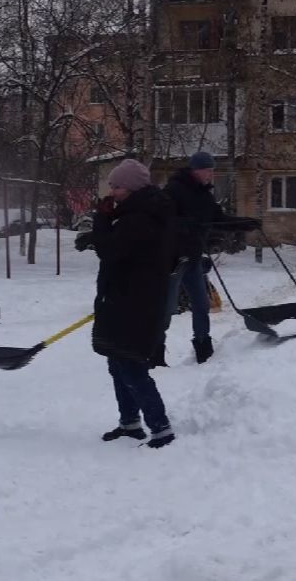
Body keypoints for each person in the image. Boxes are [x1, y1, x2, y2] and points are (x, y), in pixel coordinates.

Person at [87, 158, 177, 448]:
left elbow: (111, 251)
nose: (112, 192)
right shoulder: (137, 213)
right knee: (117, 361)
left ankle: (160, 428)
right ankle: (130, 422)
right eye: (112, 186)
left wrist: (100, 223)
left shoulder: (140, 218)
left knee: (130, 365)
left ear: (133, 188)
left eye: (117, 187)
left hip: (135, 301)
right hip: (125, 297)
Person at [163, 151, 260, 363]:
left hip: (194, 257)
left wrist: (244, 223)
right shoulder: (174, 189)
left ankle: (203, 346)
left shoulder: (205, 194)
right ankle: (155, 351)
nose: (211, 175)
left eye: (212, 170)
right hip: (173, 258)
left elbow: (217, 219)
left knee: (201, 303)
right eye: (207, 170)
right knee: (167, 307)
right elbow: (163, 220)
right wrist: (186, 225)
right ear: (196, 170)